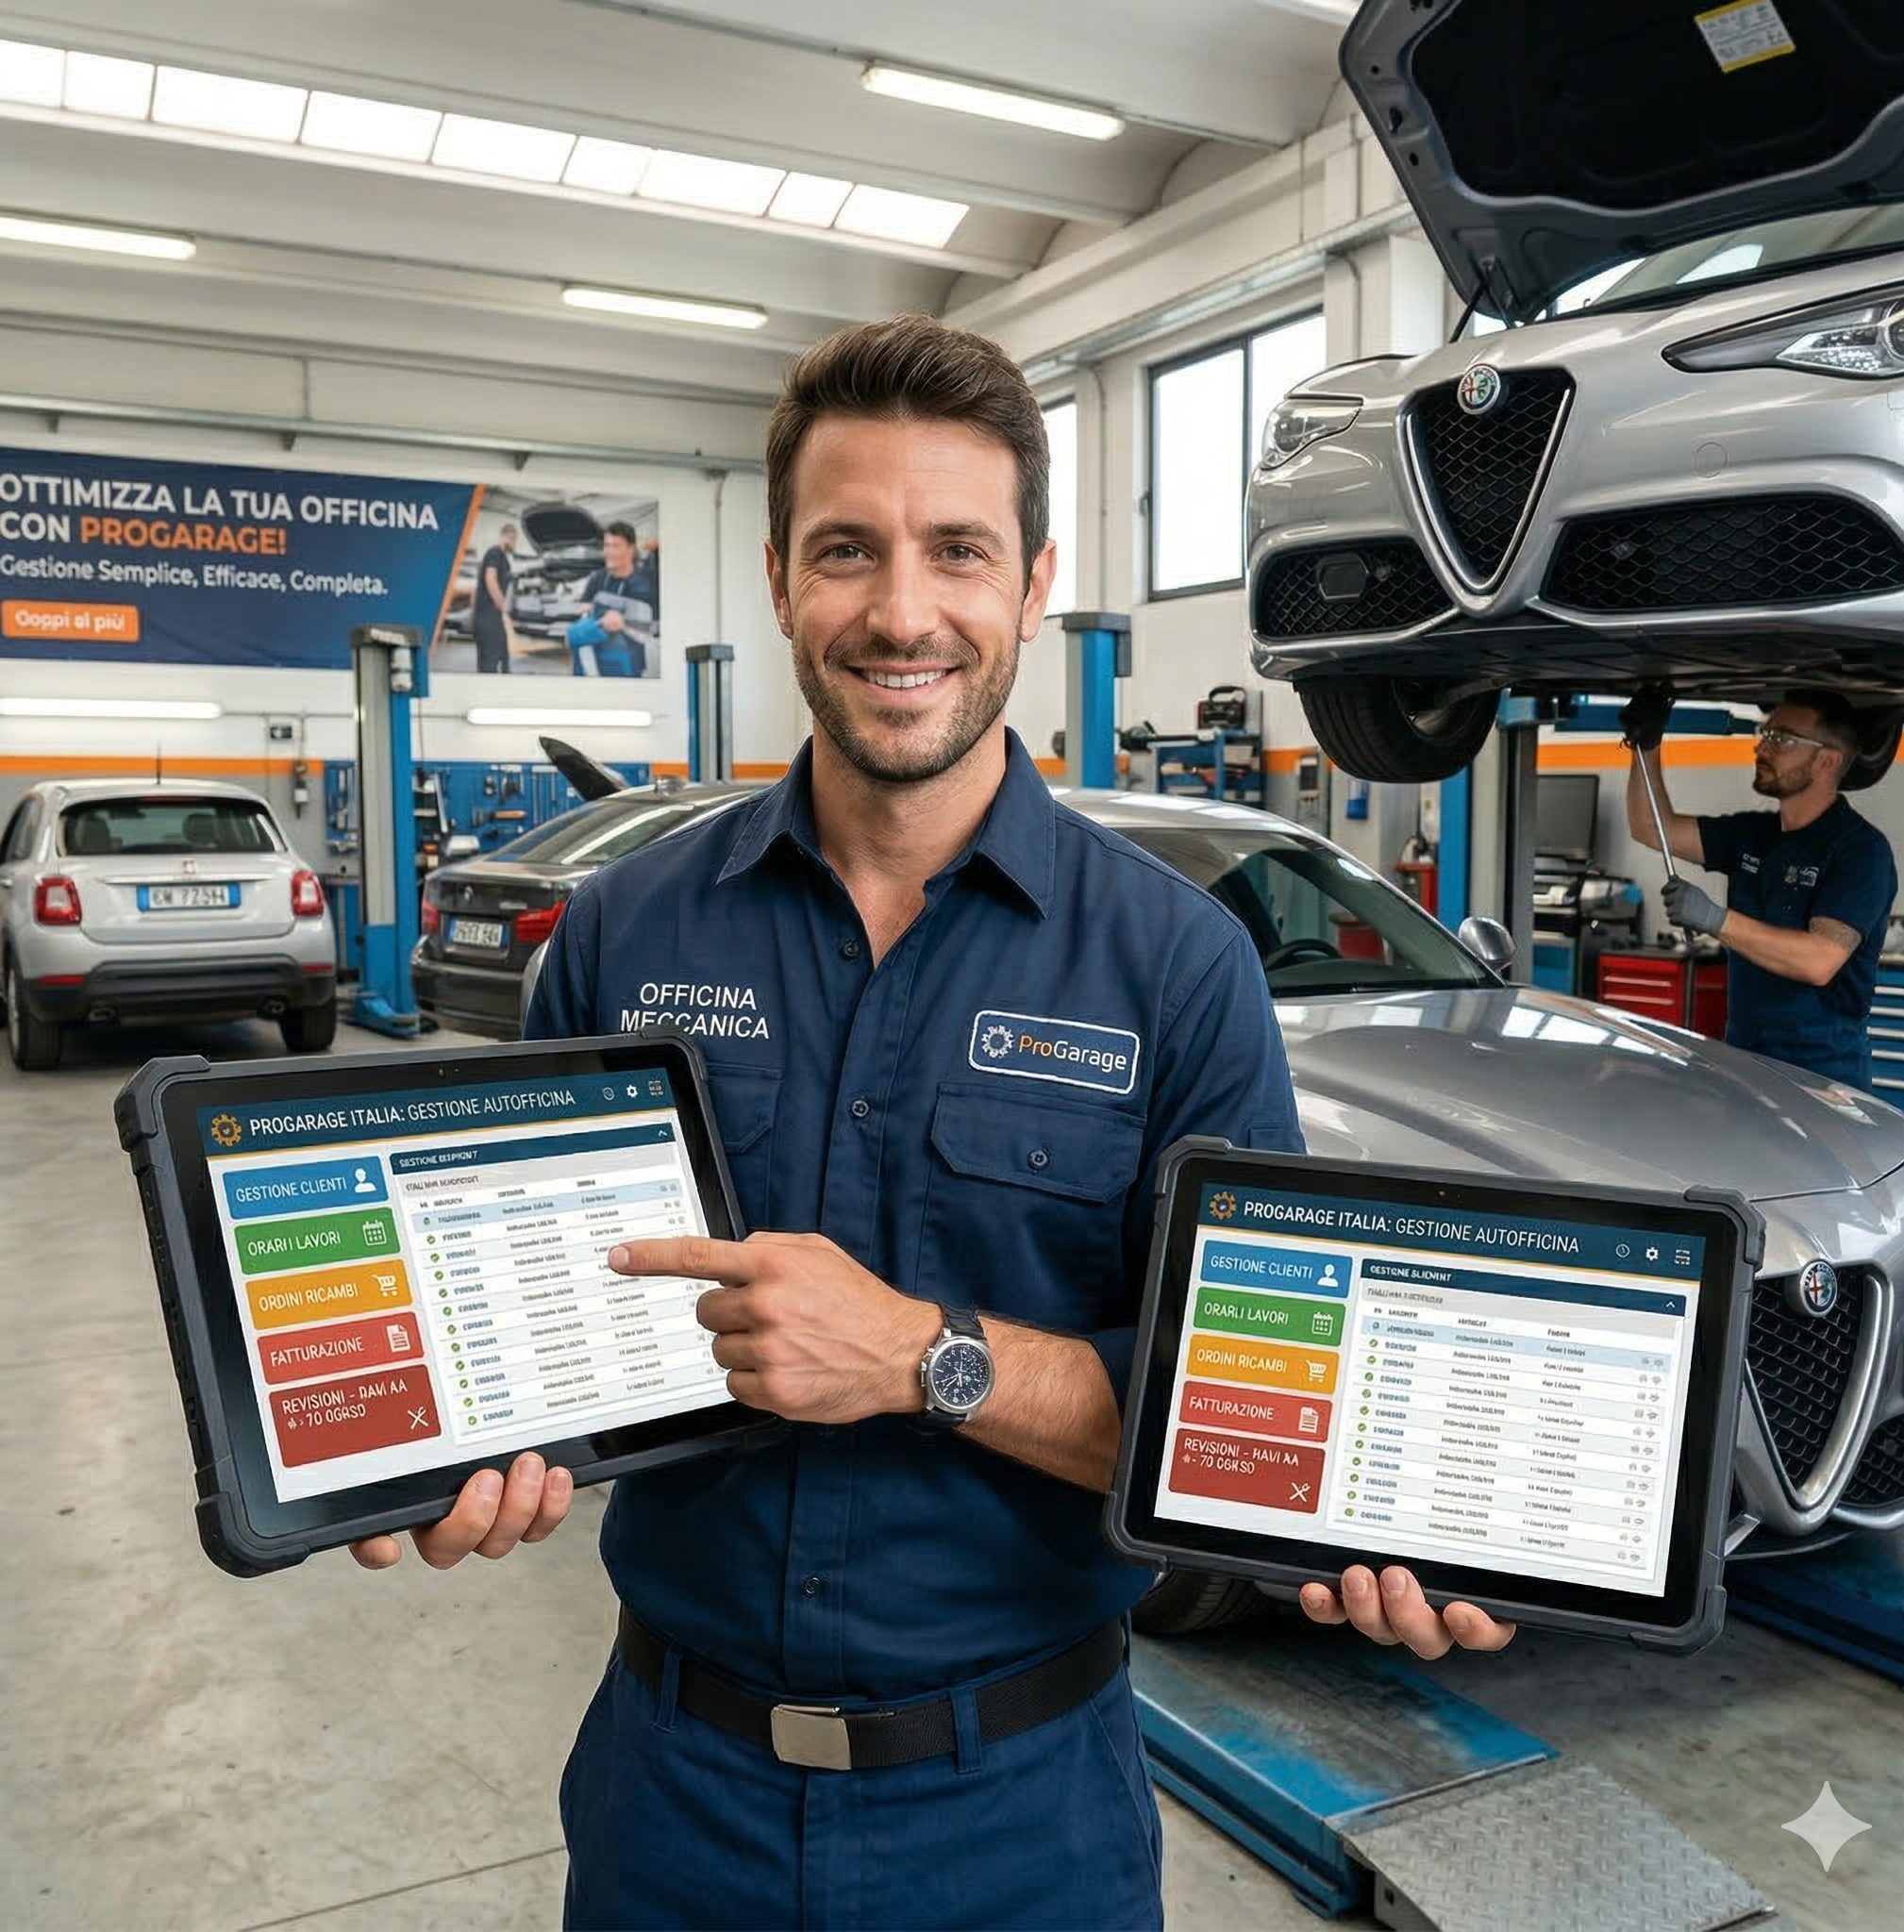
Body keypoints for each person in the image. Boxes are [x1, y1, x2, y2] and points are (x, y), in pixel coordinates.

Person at [351, 314, 1514, 1931]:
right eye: (847, 550)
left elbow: (1242, 1411)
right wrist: (449, 1437)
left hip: (1018, 1821)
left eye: (956, 550)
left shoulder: (1173, 966)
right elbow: (521, 1315)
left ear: (1030, 584)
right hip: (671, 1804)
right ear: (777, 581)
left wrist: (921, 1353)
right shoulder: (624, 937)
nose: (901, 611)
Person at [1623, 684, 1898, 1088]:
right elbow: (1651, 828)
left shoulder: (1860, 851)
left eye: (1781, 738)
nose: (1761, 748)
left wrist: (1714, 918)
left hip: (1824, 1081)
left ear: (1828, 760)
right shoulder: (1753, 834)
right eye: (1765, 734)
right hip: (1748, 1067)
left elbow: (1818, 961)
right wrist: (1645, 746)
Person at [572, 518, 659, 677]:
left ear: (631, 549)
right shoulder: (597, 578)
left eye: (616, 546)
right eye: (607, 546)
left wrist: (624, 623)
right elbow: (583, 608)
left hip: (630, 660)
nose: (609, 552)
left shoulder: (647, 582)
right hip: (595, 657)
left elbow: (655, 625)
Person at [474, 521, 518, 675]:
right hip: (487, 615)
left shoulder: (503, 557)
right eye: (512, 539)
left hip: (493, 615)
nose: (513, 543)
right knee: (490, 660)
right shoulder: (495, 553)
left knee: (502, 656)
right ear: (505, 537)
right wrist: (502, 606)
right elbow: (490, 579)